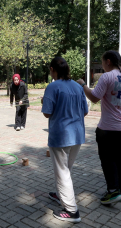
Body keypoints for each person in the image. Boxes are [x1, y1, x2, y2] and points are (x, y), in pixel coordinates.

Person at [76, 50, 121, 205]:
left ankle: (113, 191)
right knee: (120, 158)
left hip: (109, 129)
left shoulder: (107, 77)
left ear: (108, 61)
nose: (103, 65)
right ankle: (119, 190)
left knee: (108, 159)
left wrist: (83, 85)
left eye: (102, 62)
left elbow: (94, 97)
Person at [42, 57, 88, 223]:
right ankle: (61, 195)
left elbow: (47, 112)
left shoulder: (53, 86)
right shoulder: (77, 86)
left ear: (53, 69)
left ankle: (71, 211)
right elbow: (85, 112)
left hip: (61, 135)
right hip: (77, 134)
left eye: (50, 69)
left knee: (62, 172)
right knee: (66, 169)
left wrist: (44, 102)